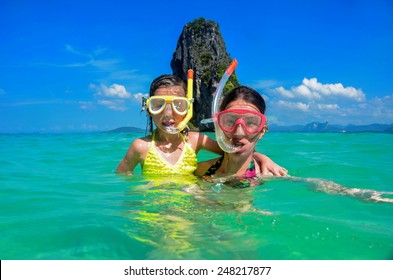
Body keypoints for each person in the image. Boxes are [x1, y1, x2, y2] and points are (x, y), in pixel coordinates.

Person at [116, 75, 286, 176]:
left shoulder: (195, 141)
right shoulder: (140, 146)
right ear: (148, 109)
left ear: (187, 109)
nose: (168, 114)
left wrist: (262, 158)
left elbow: (232, 149)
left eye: (178, 105)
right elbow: (121, 180)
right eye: (158, 105)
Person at [195, 85, 284, 179]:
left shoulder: (271, 177)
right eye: (230, 121)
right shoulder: (200, 170)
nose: (238, 132)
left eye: (250, 123)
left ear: (262, 131)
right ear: (218, 127)